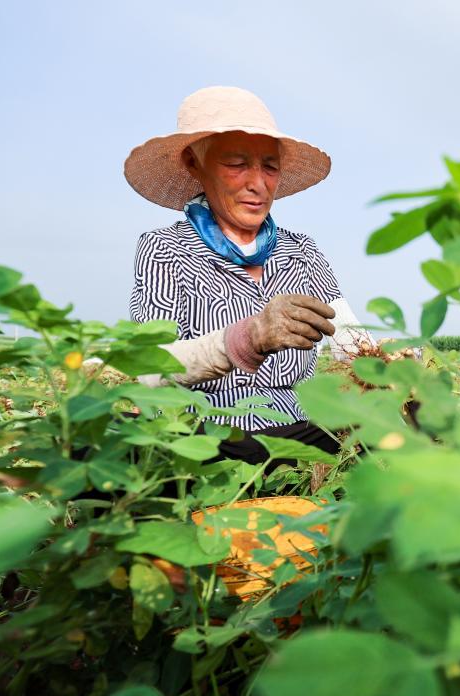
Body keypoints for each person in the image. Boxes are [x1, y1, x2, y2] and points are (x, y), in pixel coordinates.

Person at [124, 86, 374, 462]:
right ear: (195, 164)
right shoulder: (166, 249)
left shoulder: (301, 251)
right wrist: (246, 338)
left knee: (385, 425)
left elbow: (350, 340)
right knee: (110, 442)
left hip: (296, 435)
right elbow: (150, 368)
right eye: (237, 164)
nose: (258, 183)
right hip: (210, 436)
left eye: (269, 166)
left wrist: (390, 370)